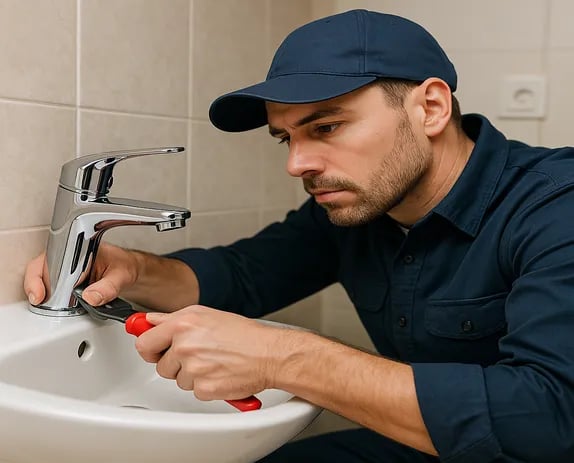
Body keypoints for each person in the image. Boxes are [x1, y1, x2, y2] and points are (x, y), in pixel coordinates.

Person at [23, 9, 574, 463]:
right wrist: (134, 270)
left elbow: (552, 421)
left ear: (430, 107)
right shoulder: (356, 207)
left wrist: (288, 358)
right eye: (285, 137)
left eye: (326, 127)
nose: (297, 163)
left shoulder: (556, 207)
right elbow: (239, 276)